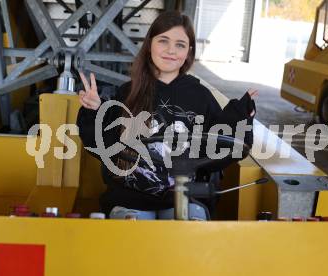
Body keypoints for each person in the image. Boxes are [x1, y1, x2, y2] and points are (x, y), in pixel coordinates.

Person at [76, 11, 257, 220]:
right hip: (130, 200)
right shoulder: (128, 93)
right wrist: (94, 111)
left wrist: (240, 117)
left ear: (188, 52)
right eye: (163, 41)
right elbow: (100, 145)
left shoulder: (201, 96)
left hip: (185, 197)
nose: (171, 50)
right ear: (150, 45)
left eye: (180, 44)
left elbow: (220, 147)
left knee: (189, 235)